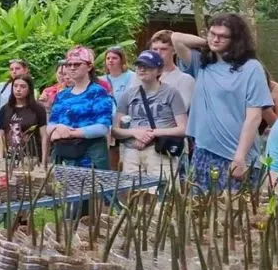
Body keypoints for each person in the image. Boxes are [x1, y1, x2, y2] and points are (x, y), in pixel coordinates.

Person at [171, 13, 274, 191]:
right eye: (213, 33)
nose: (216, 39)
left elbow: (254, 117)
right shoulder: (202, 63)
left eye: (223, 36)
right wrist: (208, 42)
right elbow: (176, 38)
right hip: (203, 151)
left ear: (236, 39)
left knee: (233, 214)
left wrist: (240, 157)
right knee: (199, 213)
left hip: (235, 154)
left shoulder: (251, 68)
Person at [112, 50, 188, 182]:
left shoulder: (171, 93)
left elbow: (183, 129)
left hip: (160, 151)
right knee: (133, 196)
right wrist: (135, 133)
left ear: (159, 71)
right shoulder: (128, 95)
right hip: (132, 151)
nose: (142, 69)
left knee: (162, 196)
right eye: (139, 66)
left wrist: (151, 134)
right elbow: (115, 130)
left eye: (147, 66)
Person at [47, 46, 113, 170]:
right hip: (63, 158)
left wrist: (70, 133)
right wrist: (57, 127)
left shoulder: (98, 92)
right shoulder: (61, 95)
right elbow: (51, 124)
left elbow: (103, 127)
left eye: (77, 64)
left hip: (90, 159)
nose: (72, 67)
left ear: (89, 66)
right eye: (69, 64)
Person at [127, 30, 196, 109]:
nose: (158, 53)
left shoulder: (185, 80)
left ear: (174, 50)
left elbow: (181, 108)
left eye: (164, 49)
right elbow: (130, 102)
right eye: (155, 49)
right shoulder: (140, 75)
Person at [0, 74, 48, 165]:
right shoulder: (5, 109)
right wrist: (1, 158)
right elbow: (1, 136)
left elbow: (44, 136)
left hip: (31, 157)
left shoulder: (38, 109)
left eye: (23, 86)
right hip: (10, 156)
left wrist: (44, 161)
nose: (18, 89)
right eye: (15, 86)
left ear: (29, 89)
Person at [0, 59, 30, 143]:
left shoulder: (29, 88)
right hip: (2, 126)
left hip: (21, 127)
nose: (14, 71)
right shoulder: (2, 86)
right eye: (12, 69)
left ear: (25, 70)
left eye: (17, 68)